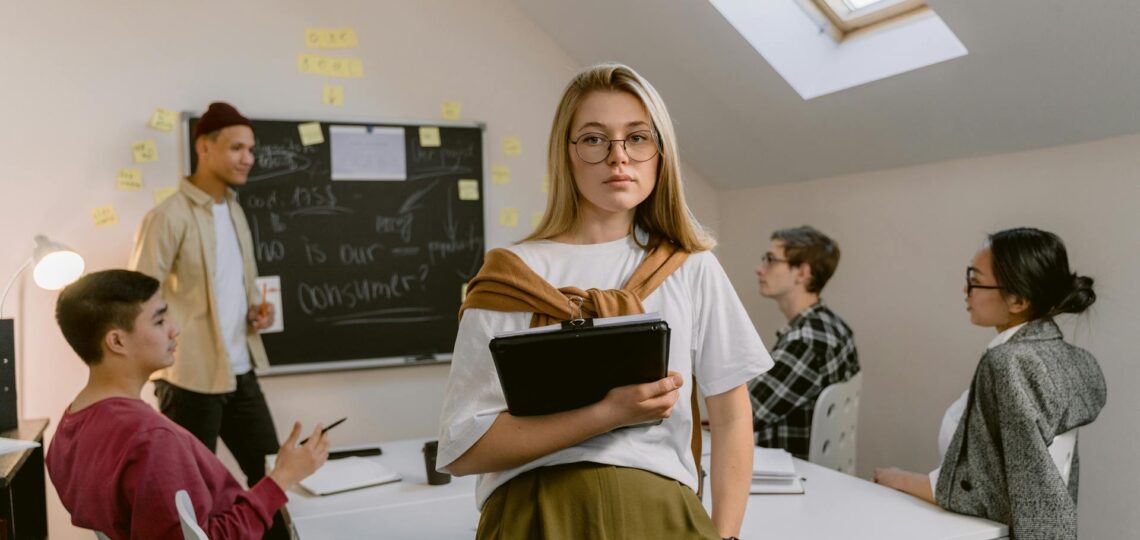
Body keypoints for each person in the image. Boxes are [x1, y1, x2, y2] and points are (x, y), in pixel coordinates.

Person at [436, 63, 772, 540]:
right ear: (566, 155)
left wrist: (726, 536)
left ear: (660, 152)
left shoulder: (690, 267)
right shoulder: (509, 276)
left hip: (662, 515)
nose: (619, 158)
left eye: (637, 137)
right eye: (594, 139)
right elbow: (460, 449)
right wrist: (608, 414)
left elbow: (732, 414)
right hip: (533, 517)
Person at [46, 269, 329, 539]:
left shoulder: (66, 433)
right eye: (159, 322)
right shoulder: (151, 439)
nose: (175, 330)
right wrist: (282, 477)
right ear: (117, 341)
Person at [873, 227, 1107, 539]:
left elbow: (988, 494)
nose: (965, 290)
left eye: (974, 280)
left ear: (1018, 300)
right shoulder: (1061, 357)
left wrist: (898, 479)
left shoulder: (1008, 363)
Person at [128, 102, 280, 488]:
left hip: (239, 368)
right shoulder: (168, 216)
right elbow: (136, 297)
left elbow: (229, 285)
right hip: (189, 379)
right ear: (204, 147)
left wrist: (254, 312)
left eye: (251, 150)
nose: (248, 159)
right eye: (236, 148)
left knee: (273, 479)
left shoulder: (234, 211)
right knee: (191, 490)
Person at [748, 226, 859, 459]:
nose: (759, 269)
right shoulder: (835, 326)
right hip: (816, 473)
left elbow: (743, 414)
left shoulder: (806, 339)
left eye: (770, 260)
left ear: (802, 273)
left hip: (792, 473)